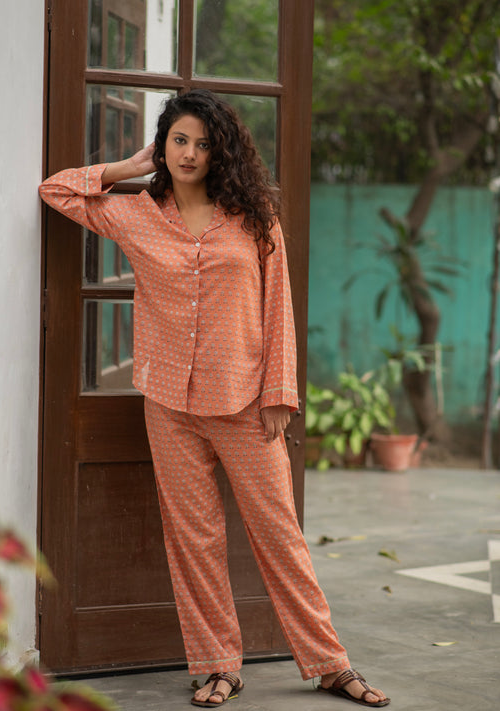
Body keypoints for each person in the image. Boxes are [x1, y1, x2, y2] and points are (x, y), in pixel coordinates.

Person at [39, 89, 389, 709]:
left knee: (279, 534)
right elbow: (56, 190)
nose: (189, 153)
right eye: (178, 140)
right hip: (168, 403)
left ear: (219, 151)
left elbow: (278, 306)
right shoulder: (135, 215)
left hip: (245, 402)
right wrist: (126, 167)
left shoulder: (254, 218)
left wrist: (279, 391)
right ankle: (217, 666)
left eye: (202, 143)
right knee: (193, 539)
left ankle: (330, 663)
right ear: (163, 146)